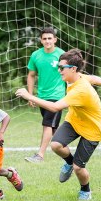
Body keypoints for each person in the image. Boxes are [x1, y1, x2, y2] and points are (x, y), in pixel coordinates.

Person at [16, 48, 101, 201]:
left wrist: (29, 96)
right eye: (58, 67)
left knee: (79, 168)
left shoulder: (81, 90)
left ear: (73, 69)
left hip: (92, 129)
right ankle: (69, 162)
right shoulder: (75, 78)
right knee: (55, 145)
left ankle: (85, 190)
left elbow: (55, 107)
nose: (59, 70)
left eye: (62, 68)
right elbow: (92, 78)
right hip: (74, 121)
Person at [25, 27, 66, 163]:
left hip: (57, 96)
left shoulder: (62, 55)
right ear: (41, 41)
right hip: (42, 96)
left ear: (55, 39)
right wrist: (31, 95)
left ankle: (40, 155)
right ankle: (70, 158)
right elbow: (31, 75)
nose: (47, 41)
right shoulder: (36, 55)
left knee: (47, 124)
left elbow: (70, 75)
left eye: (50, 38)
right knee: (54, 129)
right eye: (44, 39)